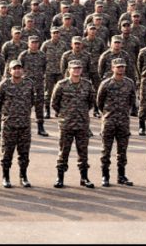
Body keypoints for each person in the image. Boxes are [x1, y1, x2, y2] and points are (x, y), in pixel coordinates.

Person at [50, 60, 96, 188]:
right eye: (74, 68)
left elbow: (91, 102)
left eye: (79, 68)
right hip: (67, 124)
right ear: (69, 70)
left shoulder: (87, 85)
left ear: (82, 70)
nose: (76, 70)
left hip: (82, 124)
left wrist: (81, 113)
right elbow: (55, 103)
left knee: (83, 152)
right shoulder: (62, 85)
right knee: (64, 151)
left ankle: (84, 177)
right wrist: (64, 114)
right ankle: (60, 178)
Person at [0, 60, 35, 188]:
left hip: (24, 124)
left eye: (19, 68)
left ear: (22, 70)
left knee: (24, 153)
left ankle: (23, 176)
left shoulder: (29, 84)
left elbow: (32, 101)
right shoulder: (4, 85)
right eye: (14, 68)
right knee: (7, 152)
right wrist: (7, 115)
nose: (17, 70)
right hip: (9, 125)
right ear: (10, 71)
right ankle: (6, 177)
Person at [96, 58, 136, 187]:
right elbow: (99, 102)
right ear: (113, 68)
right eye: (118, 67)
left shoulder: (129, 83)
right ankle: (105, 175)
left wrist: (124, 113)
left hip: (123, 121)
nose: (121, 69)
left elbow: (132, 100)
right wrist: (107, 114)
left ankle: (121, 175)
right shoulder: (106, 84)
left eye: (123, 67)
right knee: (106, 150)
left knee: (122, 151)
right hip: (109, 121)